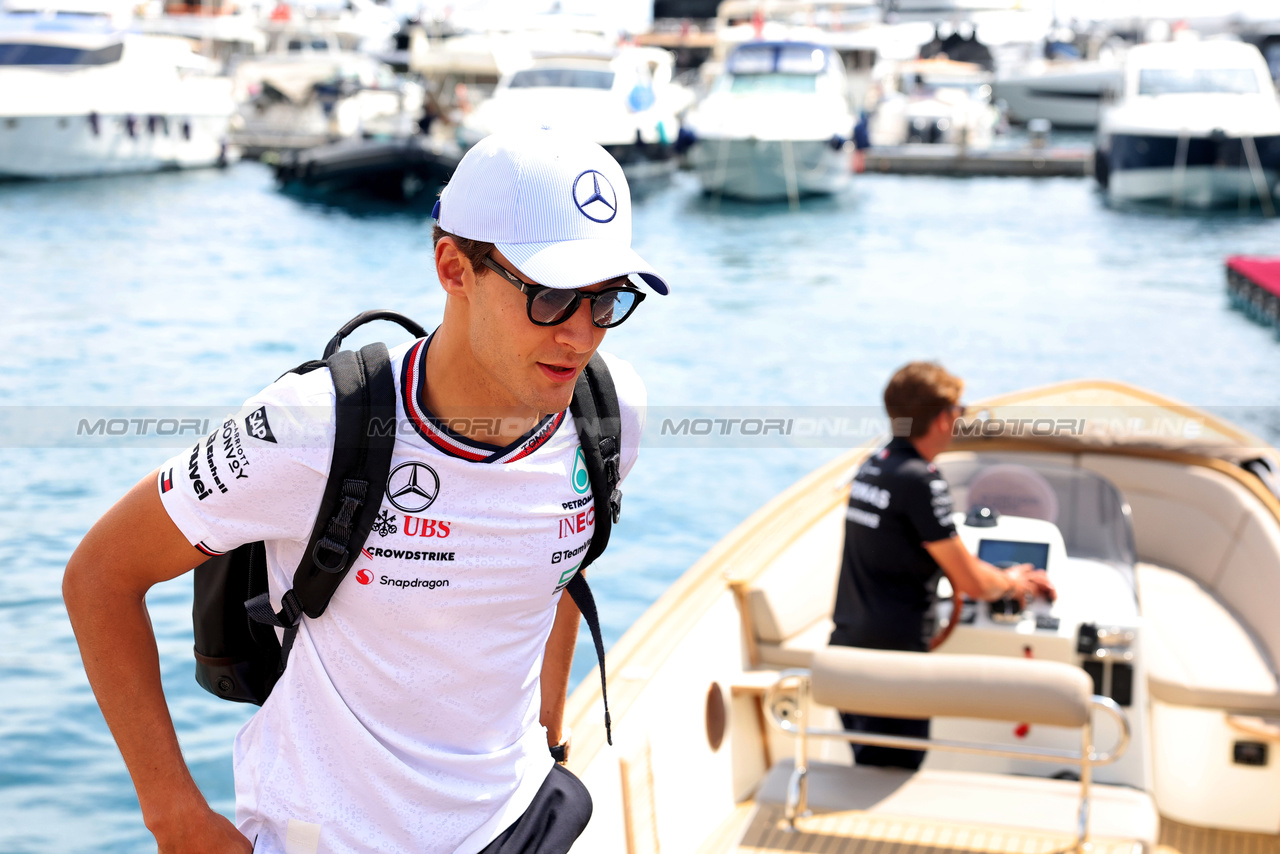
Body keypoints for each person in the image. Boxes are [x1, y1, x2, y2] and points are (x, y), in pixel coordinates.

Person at [62, 128, 670, 854]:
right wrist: (176, 818)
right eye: (552, 297)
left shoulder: (608, 410)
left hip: (518, 823)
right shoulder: (309, 428)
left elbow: (563, 560)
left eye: (607, 301)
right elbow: (99, 576)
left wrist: (548, 718)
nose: (580, 336)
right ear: (454, 267)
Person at [829, 361, 1055, 770]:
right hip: (893, 664)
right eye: (958, 411)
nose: (960, 419)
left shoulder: (874, 464)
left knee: (869, 763)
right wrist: (1012, 582)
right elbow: (971, 581)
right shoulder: (920, 480)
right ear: (940, 419)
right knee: (895, 769)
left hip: (847, 645)